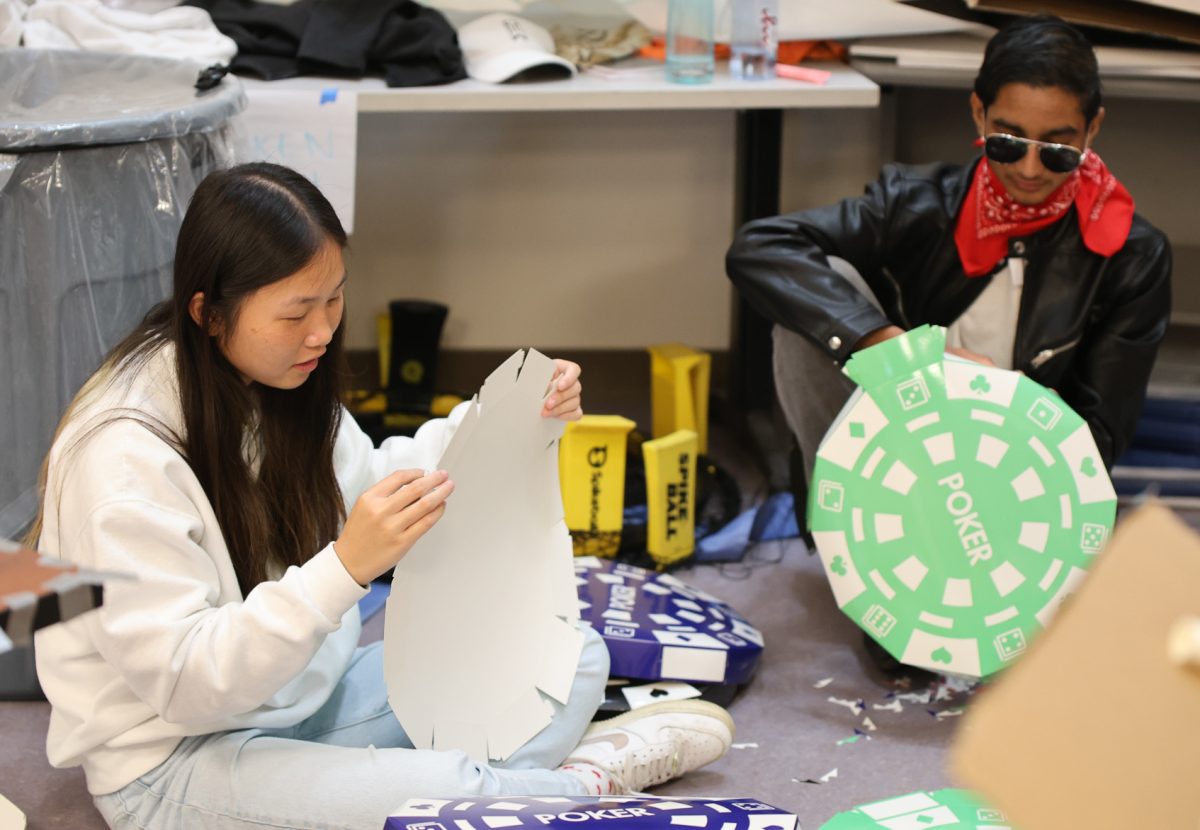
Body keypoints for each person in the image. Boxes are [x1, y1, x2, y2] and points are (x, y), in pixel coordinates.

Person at [31, 163, 734, 830]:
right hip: (174, 759)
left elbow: (373, 487)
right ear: (208, 313)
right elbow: (187, 681)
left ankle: (489, 790)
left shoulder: (274, 380)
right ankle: (584, 789)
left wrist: (509, 421)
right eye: (296, 312)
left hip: (297, 701)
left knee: (568, 653)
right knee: (449, 792)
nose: (322, 331)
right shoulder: (121, 460)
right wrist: (344, 568)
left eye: (334, 299)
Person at [727, 15, 1172, 498]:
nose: (1028, 170)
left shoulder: (1133, 256)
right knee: (812, 299)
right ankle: (846, 520)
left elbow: (1099, 441)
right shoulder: (915, 204)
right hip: (894, 456)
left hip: (1022, 478)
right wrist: (898, 350)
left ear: (1093, 129)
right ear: (978, 113)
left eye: (1056, 150)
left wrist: (1013, 408)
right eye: (1007, 141)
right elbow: (761, 247)